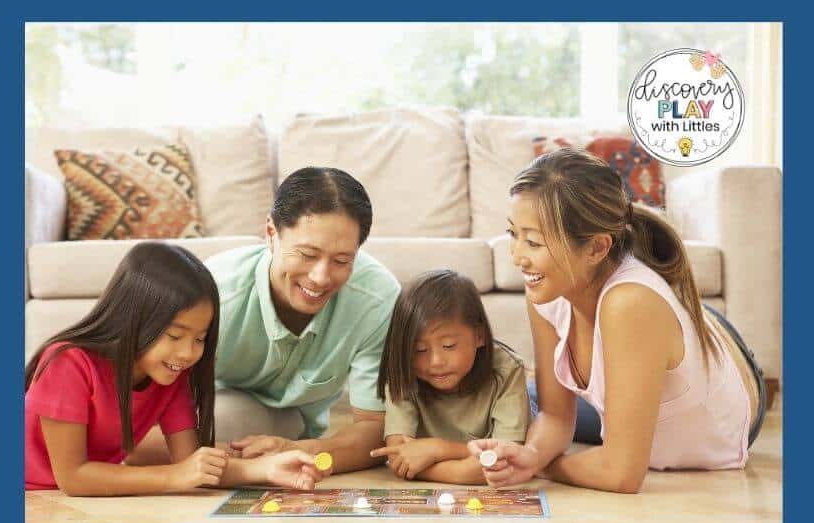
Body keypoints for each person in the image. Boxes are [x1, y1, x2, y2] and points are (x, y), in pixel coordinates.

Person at [469, 149, 766, 493]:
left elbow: (620, 473)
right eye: (514, 234)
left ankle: (679, 318)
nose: (518, 256)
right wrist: (531, 454)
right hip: (640, 337)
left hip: (730, 375)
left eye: (533, 241)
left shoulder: (630, 304)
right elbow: (555, 418)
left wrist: (542, 467)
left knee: (533, 405)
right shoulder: (547, 290)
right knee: (528, 398)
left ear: (597, 248)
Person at [25, 242, 328, 496]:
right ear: (134, 319)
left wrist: (264, 468)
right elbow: (74, 478)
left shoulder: (169, 375)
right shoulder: (67, 364)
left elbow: (191, 463)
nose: (188, 353)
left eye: (199, 339)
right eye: (174, 335)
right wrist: (174, 476)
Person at [200, 166, 400, 474]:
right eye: (307, 254)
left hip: (299, 427)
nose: (320, 278)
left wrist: (303, 451)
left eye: (342, 261)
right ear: (271, 234)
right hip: (215, 411)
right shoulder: (214, 293)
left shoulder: (377, 299)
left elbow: (375, 430)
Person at [370, 270, 530, 484]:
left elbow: (506, 460)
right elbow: (400, 457)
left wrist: (436, 450)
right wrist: (469, 464)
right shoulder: (403, 371)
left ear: (479, 336)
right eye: (419, 350)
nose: (435, 361)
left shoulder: (507, 370)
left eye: (449, 346)